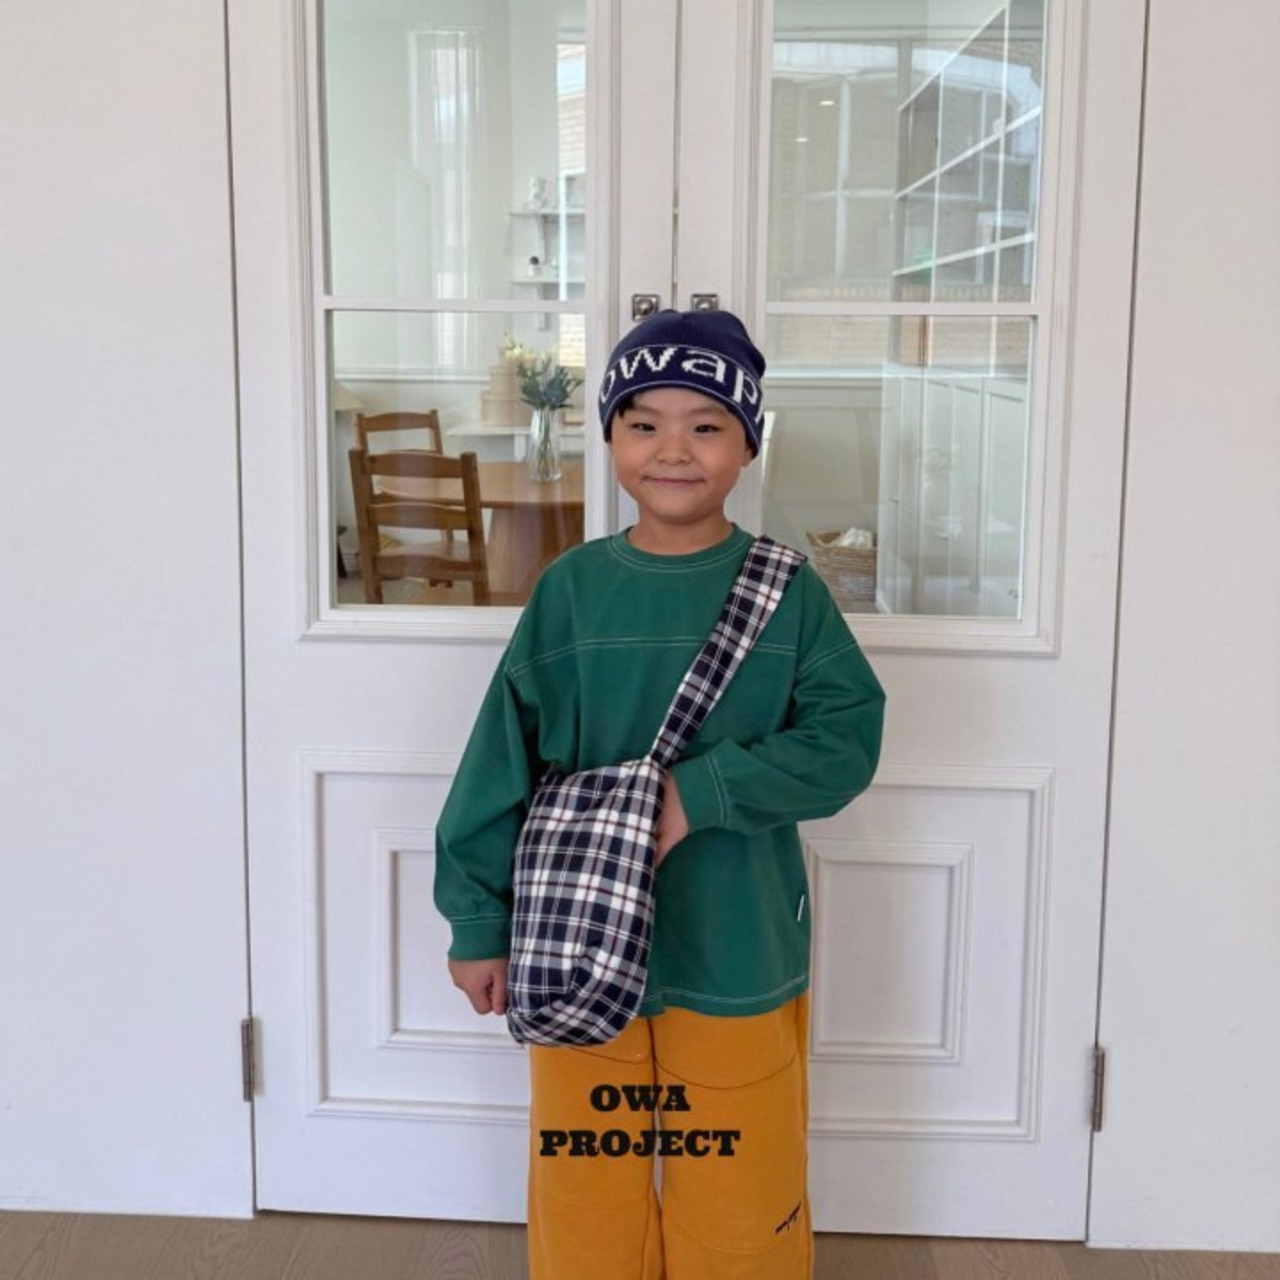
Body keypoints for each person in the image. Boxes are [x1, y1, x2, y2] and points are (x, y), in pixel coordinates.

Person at [434, 309, 885, 1280]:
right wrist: (477, 921)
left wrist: (696, 792)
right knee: (585, 1193)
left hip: (733, 951)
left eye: (706, 424)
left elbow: (845, 741)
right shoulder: (570, 590)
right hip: (570, 953)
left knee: (741, 1195)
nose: (673, 449)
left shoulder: (789, 592)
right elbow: (497, 763)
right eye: (643, 423)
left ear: (747, 442)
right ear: (609, 437)